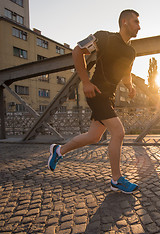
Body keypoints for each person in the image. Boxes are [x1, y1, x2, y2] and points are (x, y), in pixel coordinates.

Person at [47, 9, 141, 194]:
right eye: (136, 22)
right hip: (96, 93)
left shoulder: (131, 51)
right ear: (124, 22)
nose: (140, 26)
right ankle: (116, 180)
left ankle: (58, 151)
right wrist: (86, 81)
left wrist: (130, 87)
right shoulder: (103, 38)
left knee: (94, 136)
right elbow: (77, 51)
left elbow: (127, 72)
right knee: (118, 132)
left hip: (109, 97)